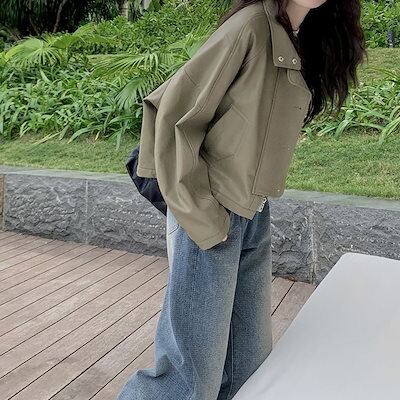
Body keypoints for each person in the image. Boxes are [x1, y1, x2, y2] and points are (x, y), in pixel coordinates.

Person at [116, 0, 366, 399]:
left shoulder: (299, 35)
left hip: (252, 211)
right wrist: (202, 214)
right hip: (212, 210)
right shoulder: (251, 26)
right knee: (187, 380)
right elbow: (171, 111)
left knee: (247, 371)